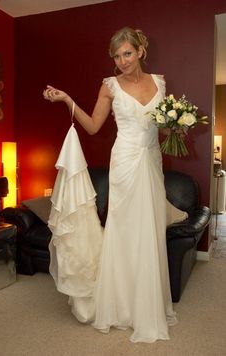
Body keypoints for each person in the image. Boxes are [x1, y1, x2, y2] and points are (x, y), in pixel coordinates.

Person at [43, 26, 179, 343]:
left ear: (140, 51)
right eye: (117, 56)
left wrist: (176, 125)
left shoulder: (159, 82)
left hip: (151, 161)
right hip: (125, 164)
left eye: (127, 53)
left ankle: (147, 306)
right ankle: (120, 306)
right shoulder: (109, 86)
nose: (122, 61)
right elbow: (91, 126)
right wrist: (67, 100)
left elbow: (159, 125)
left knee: (150, 229)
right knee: (126, 231)